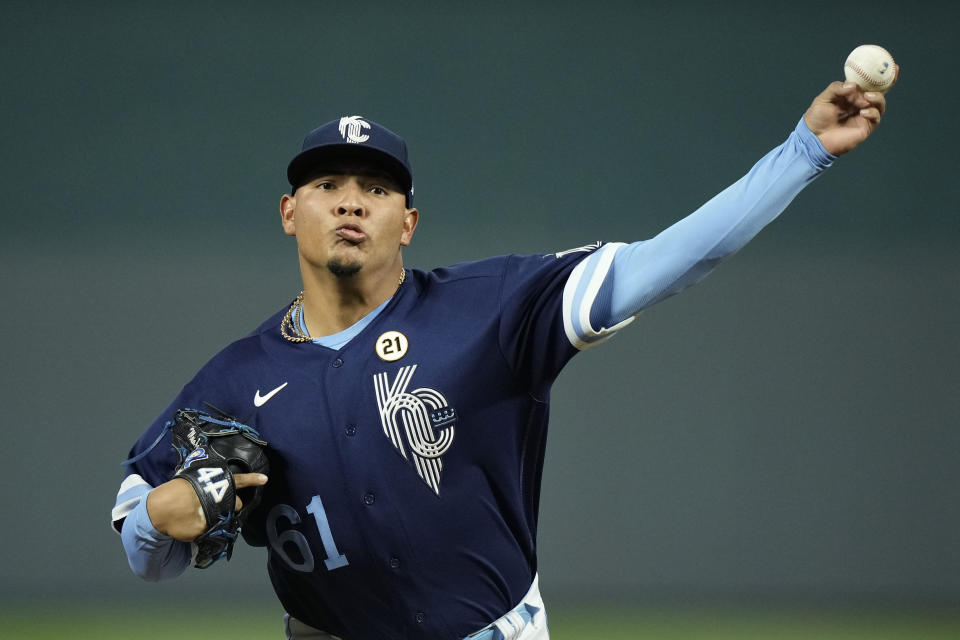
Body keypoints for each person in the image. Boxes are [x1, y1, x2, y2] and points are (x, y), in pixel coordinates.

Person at [112, 76, 895, 640]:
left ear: (408, 221)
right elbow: (144, 547)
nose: (350, 201)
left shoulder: (492, 308)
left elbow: (670, 261)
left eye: (376, 189)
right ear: (291, 212)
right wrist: (157, 518)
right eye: (327, 184)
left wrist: (803, 151)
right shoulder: (235, 379)